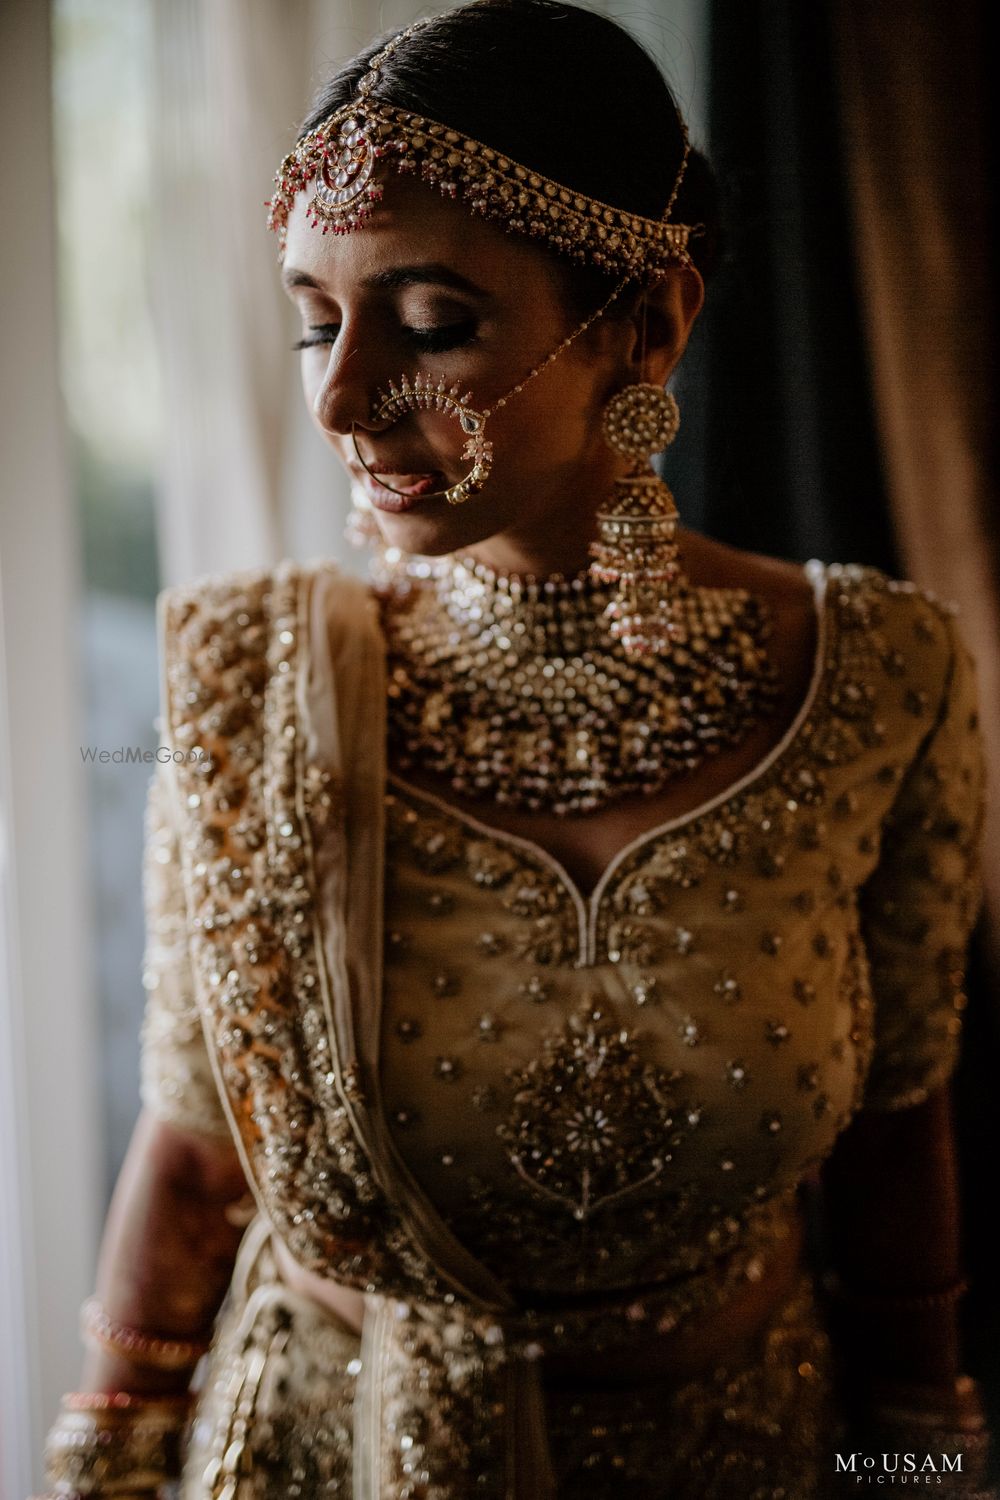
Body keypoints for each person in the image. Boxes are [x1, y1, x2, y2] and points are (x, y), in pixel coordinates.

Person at [37, 2, 996, 1496]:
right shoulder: (254, 679)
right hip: (326, 1455)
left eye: (429, 326)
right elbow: (193, 1149)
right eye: (313, 316)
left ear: (649, 320)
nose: (343, 396)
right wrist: (100, 1467)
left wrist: (917, 1472)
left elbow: (898, 1137)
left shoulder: (876, 678)